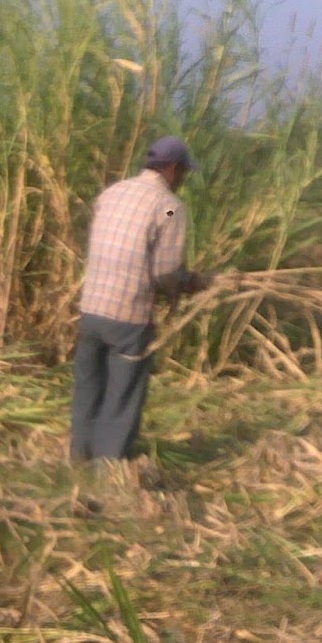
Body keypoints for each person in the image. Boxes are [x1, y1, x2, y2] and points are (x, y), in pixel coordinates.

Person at [69, 136, 206, 463]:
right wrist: (189, 283)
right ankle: (109, 467)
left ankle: (79, 458)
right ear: (173, 169)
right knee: (123, 393)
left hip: (91, 310)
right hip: (127, 315)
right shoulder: (170, 205)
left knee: (88, 385)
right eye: (183, 172)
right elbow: (166, 272)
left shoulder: (111, 193)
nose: (183, 179)